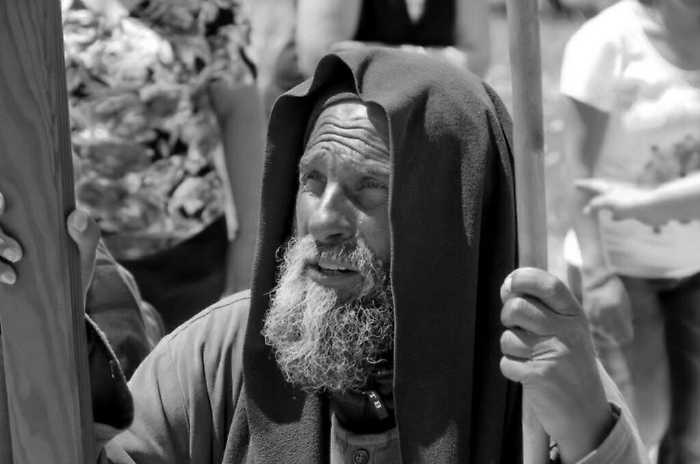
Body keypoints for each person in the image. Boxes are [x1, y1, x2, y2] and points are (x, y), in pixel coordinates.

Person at [0, 49, 647, 463]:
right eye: (312, 181)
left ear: (454, 218)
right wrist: (38, 335)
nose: (325, 220)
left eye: (370, 187)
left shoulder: (534, 374)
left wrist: (589, 431)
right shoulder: (217, 355)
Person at [63, 0, 265, 332]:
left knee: (187, 363)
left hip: (186, 255)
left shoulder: (207, 7)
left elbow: (240, 115)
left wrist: (250, 245)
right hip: (74, 252)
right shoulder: (34, 11)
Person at [560, 0, 700, 461]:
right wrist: (599, 277)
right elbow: (576, 169)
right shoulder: (606, 42)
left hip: (694, 265)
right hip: (620, 266)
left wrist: (647, 204)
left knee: (694, 432)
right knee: (642, 421)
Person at [265, 0, 491, 114]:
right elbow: (327, 59)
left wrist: (375, 52)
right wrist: (439, 61)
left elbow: (477, 61)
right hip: (322, 115)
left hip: (412, 116)